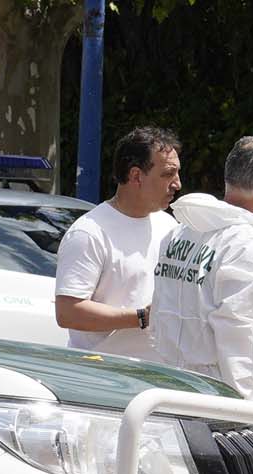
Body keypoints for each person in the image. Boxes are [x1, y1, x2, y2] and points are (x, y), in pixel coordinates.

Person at [148, 137, 253, 395]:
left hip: (167, 387)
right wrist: (250, 409)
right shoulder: (247, 245)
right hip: (217, 401)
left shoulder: (180, 231)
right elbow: (239, 335)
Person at [54, 126, 181, 360]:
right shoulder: (89, 232)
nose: (177, 184)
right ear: (135, 176)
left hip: (160, 375)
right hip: (104, 379)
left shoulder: (170, 227)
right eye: (168, 174)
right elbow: (67, 312)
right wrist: (141, 317)